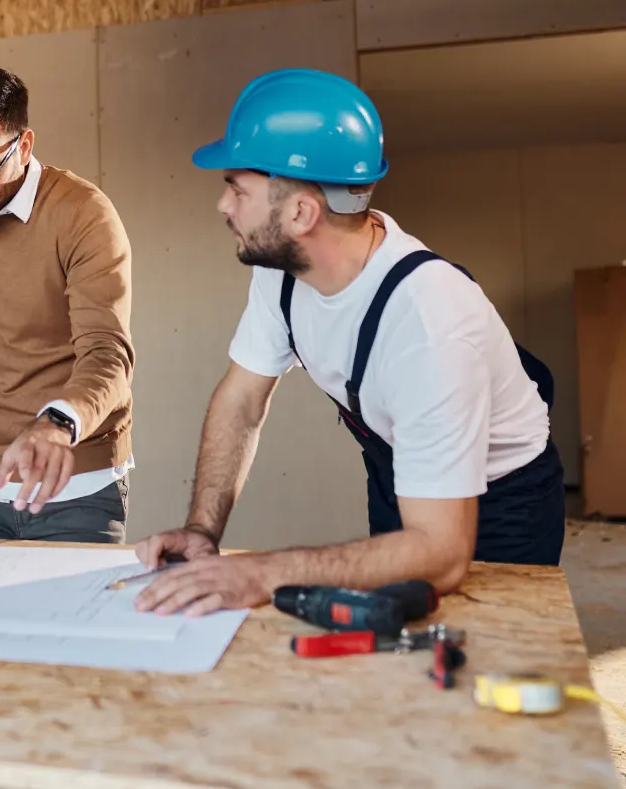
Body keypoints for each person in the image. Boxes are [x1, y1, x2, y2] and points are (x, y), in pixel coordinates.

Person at [134, 68, 565, 617]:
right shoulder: (281, 271)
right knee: (393, 647)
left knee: (483, 663)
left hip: (503, 506)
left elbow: (442, 552)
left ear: (300, 213)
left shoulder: (429, 325)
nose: (223, 205)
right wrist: (202, 531)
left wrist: (261, 571)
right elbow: (242, 400)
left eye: (236, 188)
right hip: (397, 479)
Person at [0, 66, 134, 543]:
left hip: (77, 482)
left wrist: (55, 424)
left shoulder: (83, 214)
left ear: (24, 146)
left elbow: (108, 354)